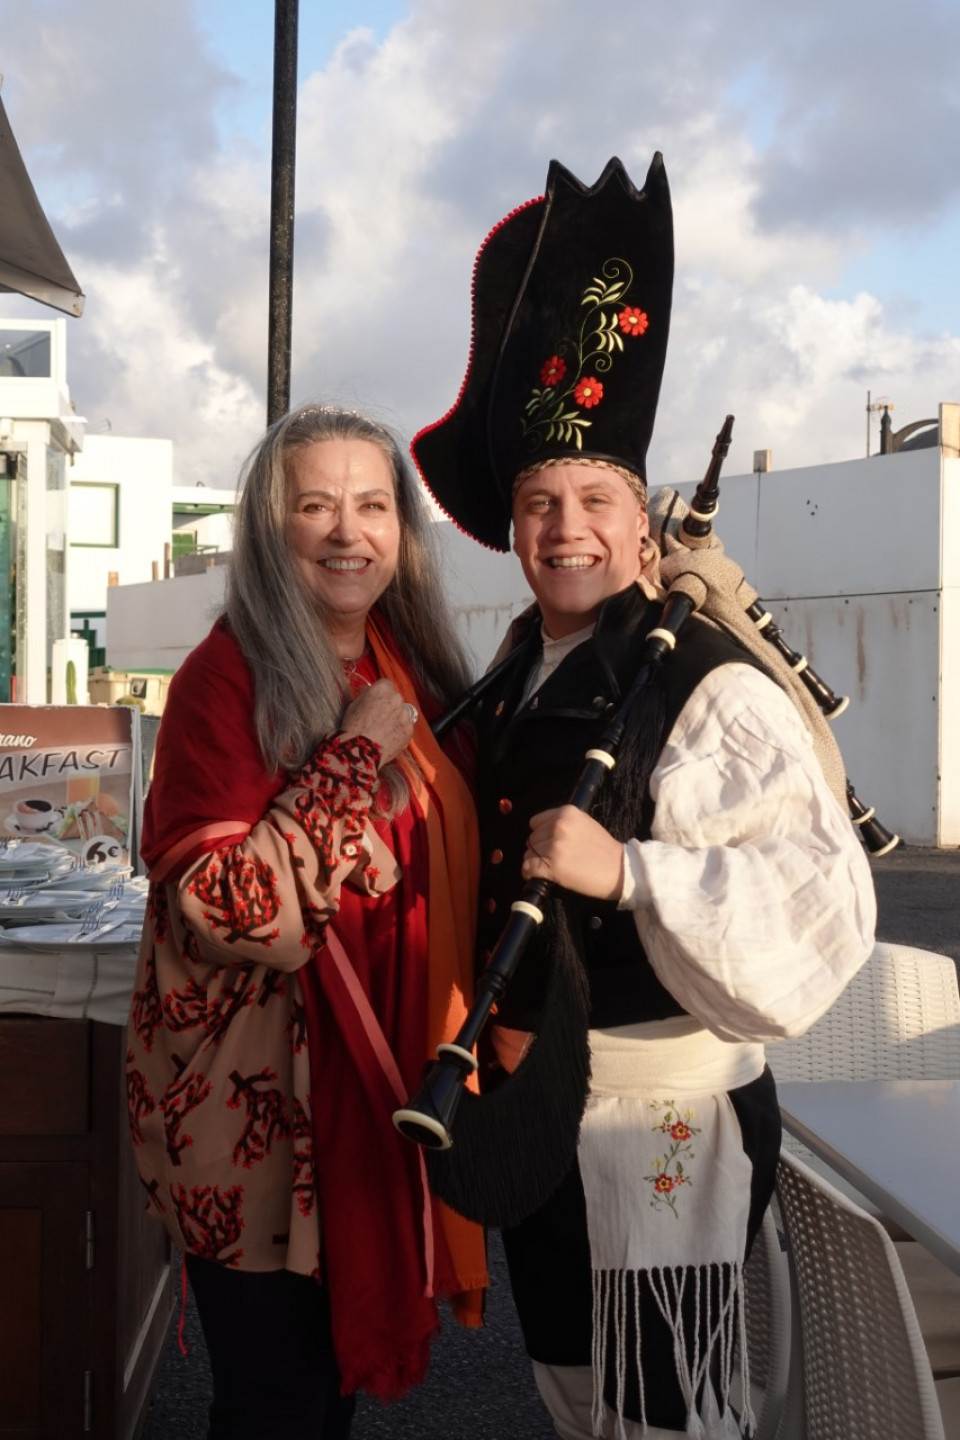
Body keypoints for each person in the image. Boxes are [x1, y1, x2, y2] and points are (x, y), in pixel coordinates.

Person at [411, 156, 876, 1438]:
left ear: (639, 521)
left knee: (671, 1415)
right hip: (546, 1096)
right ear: (514, 531)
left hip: (666, 1107)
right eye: (539, 504)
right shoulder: (520, 663)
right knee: (573, 1392)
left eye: (594, 500)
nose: (566, 527)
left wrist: (634, 873)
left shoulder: (709, 684)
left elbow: (821, 893)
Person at [126, 403, 487, 1440]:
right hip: (256, 1124)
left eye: (373, 505)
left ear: (403, 534)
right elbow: (233, 909)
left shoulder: (401, 657)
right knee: (276, 1405)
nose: (347, 531)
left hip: (371, 1099)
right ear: (269, 526)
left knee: (318, 1401)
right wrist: (351, 758)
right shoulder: (224, 675)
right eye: (315, 505)